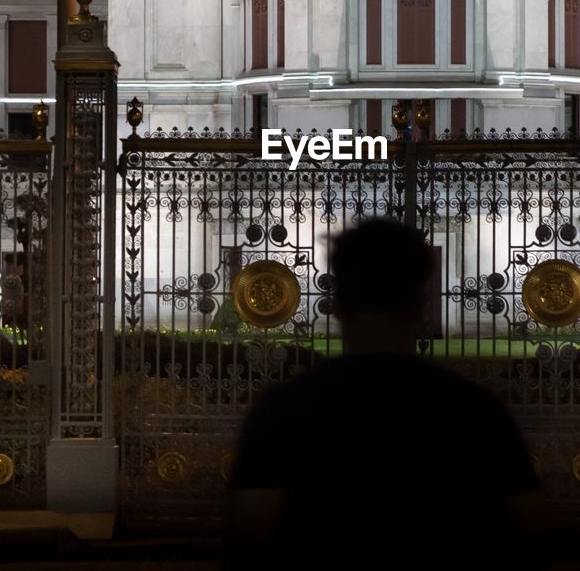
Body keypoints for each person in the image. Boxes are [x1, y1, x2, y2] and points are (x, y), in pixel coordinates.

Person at [227, 219, 541, 569]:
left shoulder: (281, 412)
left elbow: (249, 546)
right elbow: (527, 542)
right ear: (421, 304)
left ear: (338, 302)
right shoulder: (478, 412)